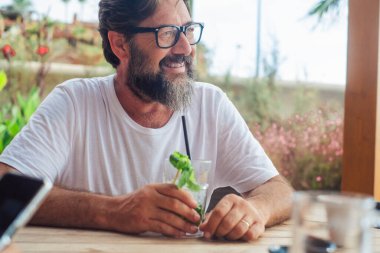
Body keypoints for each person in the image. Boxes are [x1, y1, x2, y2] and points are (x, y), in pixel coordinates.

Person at [0, 0, 293, 241]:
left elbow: (279, 190)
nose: (185, 48)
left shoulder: (210, 104)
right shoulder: (74, 102)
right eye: (167, 33)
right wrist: (115, 212)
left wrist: (256, 209)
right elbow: (5, 188)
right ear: (120, 45)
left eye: (188, 31)